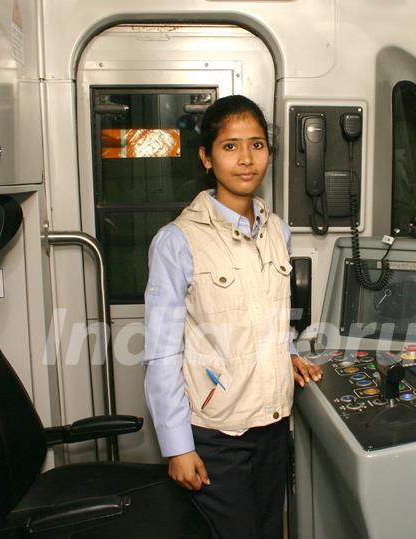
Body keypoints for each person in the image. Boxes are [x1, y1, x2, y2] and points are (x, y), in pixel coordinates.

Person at [143, 94, 322, 539]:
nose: (246, 159)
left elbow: (268, 312)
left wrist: (288, 351)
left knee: (269, 530)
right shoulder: (177, 241)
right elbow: (162, 352)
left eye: (257, 145)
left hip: (274, 423)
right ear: (206, 157)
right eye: (230, 146)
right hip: (216, 433)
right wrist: (177, 447)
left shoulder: (277, 229)